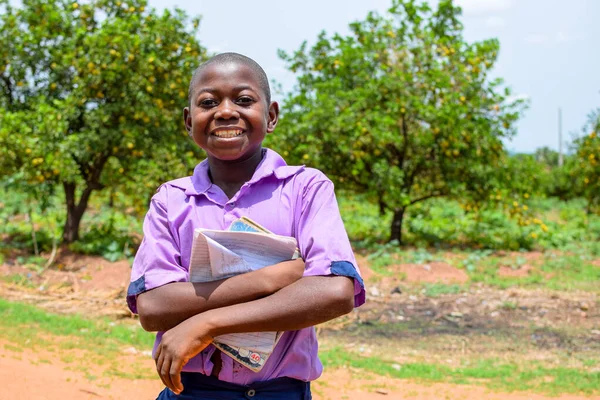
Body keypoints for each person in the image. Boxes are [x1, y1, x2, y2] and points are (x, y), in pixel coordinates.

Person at [127, 52, 366, 400]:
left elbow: (335, 292)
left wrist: (206, 324)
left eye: (243, 99)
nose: (225, 111)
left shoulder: (304, 189)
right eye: (208, 102)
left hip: (280, 393)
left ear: (270, 117)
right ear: (188, 119)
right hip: (192, 393)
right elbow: (153, 307)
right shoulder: (171, 201)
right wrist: (266, 281)